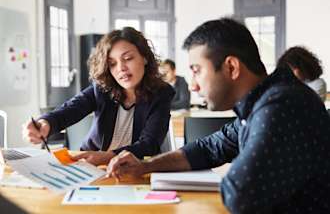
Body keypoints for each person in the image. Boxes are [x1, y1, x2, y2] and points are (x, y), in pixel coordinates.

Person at [106, 18, 330, 213]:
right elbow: (208, 148)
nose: (193, 86)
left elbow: (239, 196)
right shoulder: (262, 102)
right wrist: (145, 166)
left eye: (197, 70)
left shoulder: (281, 105)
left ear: (231, 67)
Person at [22, 27, 174, 166]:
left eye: (128, 59)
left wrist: (107, 156)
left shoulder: (161, 93)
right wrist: (46, 123)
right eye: (112, 63)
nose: (121, 68)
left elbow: (149, 144)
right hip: (91, 165)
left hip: (134, 168)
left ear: (145, 58)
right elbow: (72, 108)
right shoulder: (103, 89)